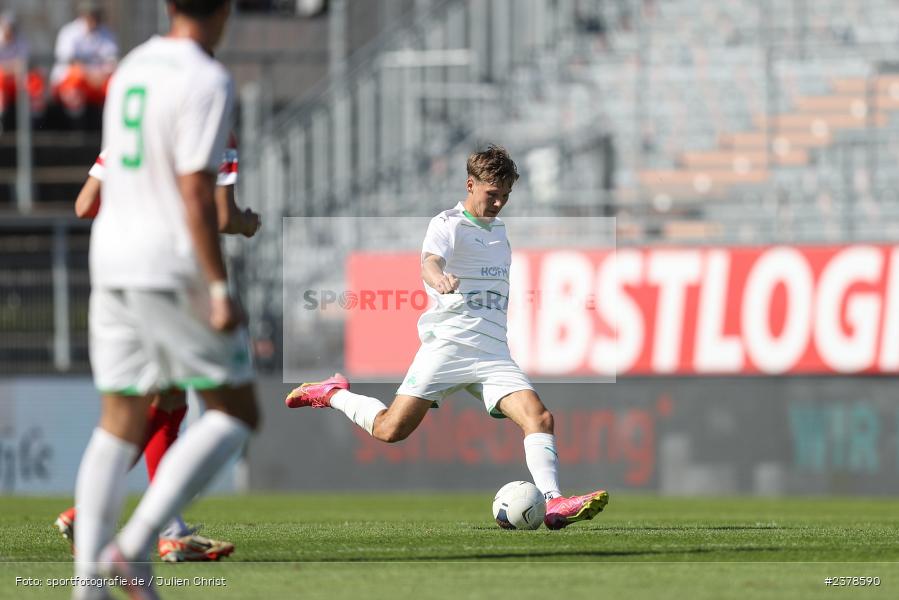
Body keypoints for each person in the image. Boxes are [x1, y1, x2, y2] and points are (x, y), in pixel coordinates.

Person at [286, 145, 609, 530]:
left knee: (539, 417)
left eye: (506, 195)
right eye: (492, 194)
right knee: (391, 430)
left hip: (492, 352)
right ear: (470, 185)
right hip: (449, 347)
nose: (499, 203)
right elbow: (429, 261)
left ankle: (555, 503)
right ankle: (333, 393)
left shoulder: (500, 232)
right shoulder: (447, 223)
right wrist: (438, 278)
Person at [72, 1, 258, 597]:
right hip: (166, 265)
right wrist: (219, 287)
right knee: (236, 412)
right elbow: (197, 194)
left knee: (118, 420)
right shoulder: (205, 77)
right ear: (224, 10)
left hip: (111, 262)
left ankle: (87, 586)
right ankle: (138, 544)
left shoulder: (131, 67)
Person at [57, 134, 260, 564]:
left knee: (163, 398)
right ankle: (106, 521)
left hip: (117, 273)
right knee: (233, 408)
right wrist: (247, 223)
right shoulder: (209, 124)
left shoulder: (129, 131)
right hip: (175, 275)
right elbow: (221, 217)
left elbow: (84, 205)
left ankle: (170, 532)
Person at [50, 0, 118, 119]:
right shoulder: (70, 32)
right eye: (89, 13)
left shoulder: (106, 33)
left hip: (98, 79)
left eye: (95, 13)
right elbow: (69, 61)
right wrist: (89, 74)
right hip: (73, 80)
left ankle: (109, 121)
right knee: (75, 79)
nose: (92, 17)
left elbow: (111, 61)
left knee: (114, 83)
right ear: (82, 14)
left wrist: (99, 75)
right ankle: (75, 127)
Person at [0, 11, 45, 126]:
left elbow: (23, 64)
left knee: (35, 80)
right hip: (3, 81)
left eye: (11, 26)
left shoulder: (21, 40)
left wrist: (13, 67)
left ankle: (35, 121)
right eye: (6, 26)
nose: (9, 29)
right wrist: (12, 67)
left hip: (18, 79)